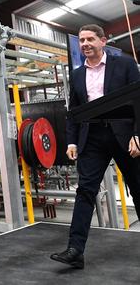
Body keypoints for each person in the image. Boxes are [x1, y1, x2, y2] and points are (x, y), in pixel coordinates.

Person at [51, 24, 140, 269]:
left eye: (90, 39)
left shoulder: (125, 65)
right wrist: (71, 140)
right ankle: (75, 250)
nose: (85, 44)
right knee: (85, 192)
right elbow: (75, 111)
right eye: (81, 40)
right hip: (92, 138)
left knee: (138, 189)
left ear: (103, 41)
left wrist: (137, 134)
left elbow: (139, 101)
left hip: (124, 136)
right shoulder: (78, 74)